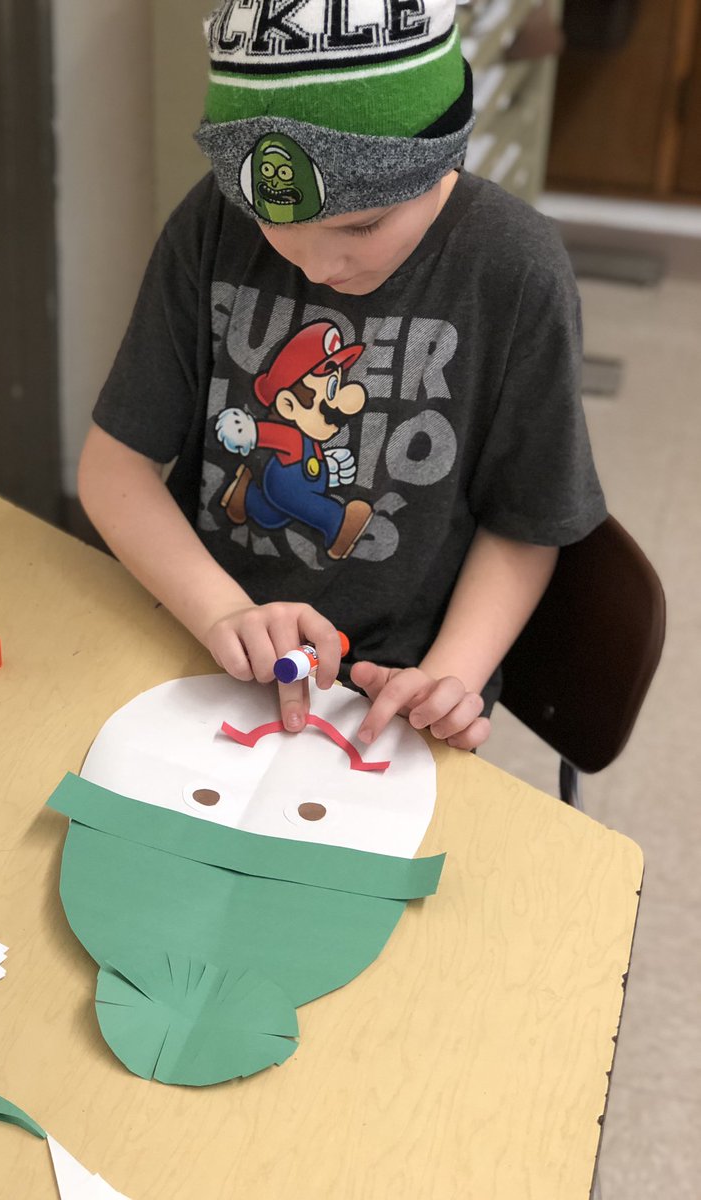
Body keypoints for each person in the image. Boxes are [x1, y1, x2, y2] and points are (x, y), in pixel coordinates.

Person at [78, 0, 606, 752]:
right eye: (279, 228)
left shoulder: (515, 272)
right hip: (201, 645)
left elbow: (526, 523)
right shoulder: (212, 224)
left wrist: (447, 679)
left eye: (362, 226)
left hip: (394, 692)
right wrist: (224, 614)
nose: (321, 267)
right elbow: (113, 466)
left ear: (447, 154)